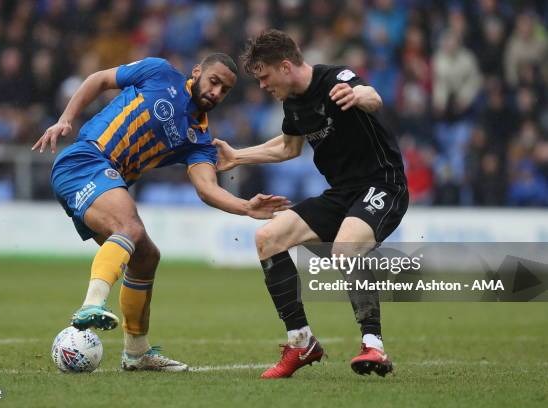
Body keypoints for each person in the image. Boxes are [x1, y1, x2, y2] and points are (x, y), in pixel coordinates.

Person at [32, 53, 290, 372]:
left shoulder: (199, 139)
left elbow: (207, 188)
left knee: (145, 258)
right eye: (214, 82)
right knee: (129, 227)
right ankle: (91, 306)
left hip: (105, 180)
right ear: (197, 72)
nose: (216, 93)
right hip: (85, 160)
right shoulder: (159, 73)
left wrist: (246, 207)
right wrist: (66, 118)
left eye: (224, 90)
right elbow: (98, 80)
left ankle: (136, 354)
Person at [213, 30, 408, 378]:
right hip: (342, 193)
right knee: (267, 239)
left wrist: (357, 95)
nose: (262, 86)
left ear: (285, 66)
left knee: (346, 248)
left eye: (264, 76)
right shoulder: (294, 105)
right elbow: (289, 148)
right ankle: (301, 343)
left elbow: (373, 96)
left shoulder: (336, 78)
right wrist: (237, 157)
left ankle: (374, 346)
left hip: (383, 184)